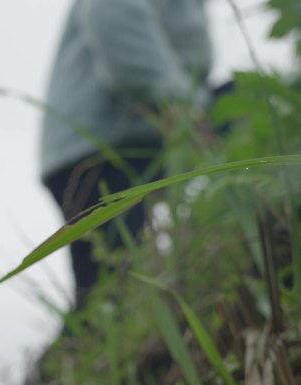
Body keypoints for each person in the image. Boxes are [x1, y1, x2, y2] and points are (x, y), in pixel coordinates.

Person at [27, 0, 213, 382]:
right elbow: (116, 17)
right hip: (96, 150)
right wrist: (185, 104)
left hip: (133, 143)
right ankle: (51, 377)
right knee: (104, 293)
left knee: (112, 286)